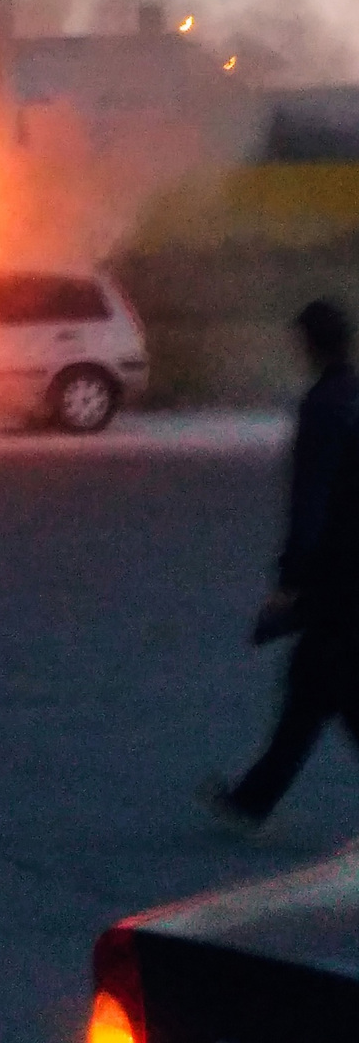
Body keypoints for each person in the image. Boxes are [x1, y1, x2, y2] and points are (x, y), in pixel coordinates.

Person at [200, 298, 359, 833]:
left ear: (310, 344)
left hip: (335, 573)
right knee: (322, 689)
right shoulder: (354, 397)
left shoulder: (321, 406)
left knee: (319, 684)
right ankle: (252, 800)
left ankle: (252, 801)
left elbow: (309, 500)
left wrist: (291, 580)